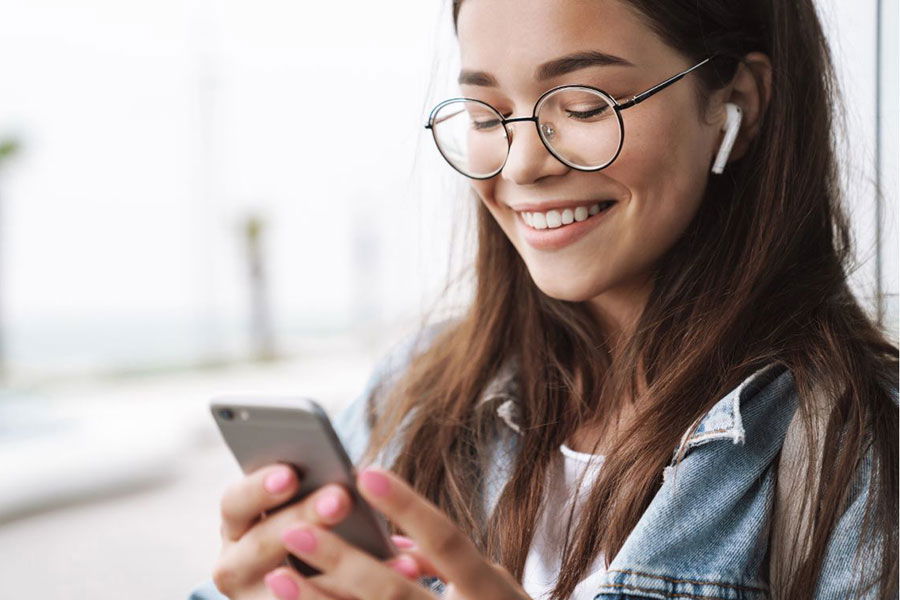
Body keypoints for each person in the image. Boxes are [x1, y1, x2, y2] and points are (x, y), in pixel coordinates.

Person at [189, 0, 899, 599]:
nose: (523, 164)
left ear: (737, 101)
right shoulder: (412, 392)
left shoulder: (859, 444)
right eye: (489, 113)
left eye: (585, 104)